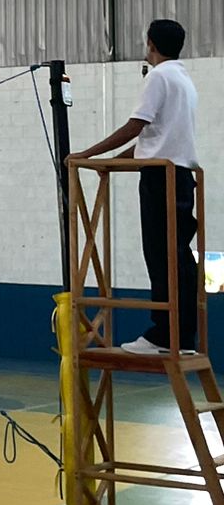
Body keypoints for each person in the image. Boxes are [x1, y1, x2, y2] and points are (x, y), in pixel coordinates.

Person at [77, 19, 200, 353]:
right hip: (180, 176)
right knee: (178, 255)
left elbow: (136, 126)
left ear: (151, 44)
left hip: (160, 178)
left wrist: (87, 154)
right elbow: (155, 139)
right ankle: (182, 336)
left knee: (160, 255)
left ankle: (163, 334)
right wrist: (113, 161)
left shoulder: (158, 77)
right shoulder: (183, 79)